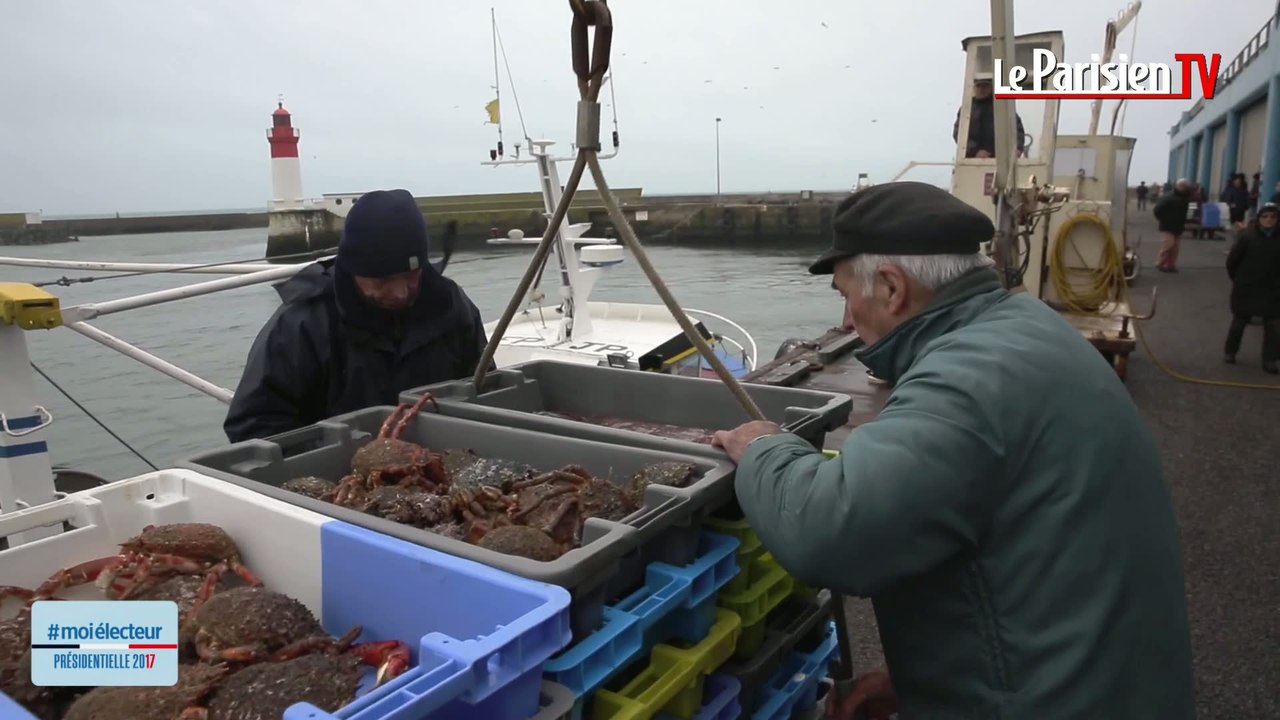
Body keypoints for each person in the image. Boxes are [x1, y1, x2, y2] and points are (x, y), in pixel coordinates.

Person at [710, 182, 1194, 720]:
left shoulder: (967, 380)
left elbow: (832, 532)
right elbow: (1030, 563)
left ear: (892, 289)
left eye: (845, 295)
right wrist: (921, 684)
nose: (845, 321)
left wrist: (764, 449)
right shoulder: (1026, 329)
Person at [224, 189, 491, 442]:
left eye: (411, 275)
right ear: (353, 270)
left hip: (443, 457)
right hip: (339, 472)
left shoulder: (451, 304)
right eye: (383, 279)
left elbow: (484, 388)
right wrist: (337, 456)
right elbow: (253, 424)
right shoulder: (301, 325)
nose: (399, 292)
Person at [1224, 201, 1280, 373]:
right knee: (1239, 322)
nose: (1269, 220)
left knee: (1274, 326)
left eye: (1273, 217)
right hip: (1247, 289)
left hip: (1273, 290)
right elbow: (1232, 263)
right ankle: (1230, 351)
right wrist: (1240, 280)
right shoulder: (1247, 237)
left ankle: (1270, 359)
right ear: (1259, 218)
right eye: (1265, 216)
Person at [952, 75, 1026, 159]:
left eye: (985, 86)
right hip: (972, 160)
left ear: (991, 87)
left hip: (1001, 160)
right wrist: (975, 151)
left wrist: (1018, 148)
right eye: (979, 86)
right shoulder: (967, 109)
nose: (982, 89)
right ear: (974, 88)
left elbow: (1017, 129)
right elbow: (958, 133)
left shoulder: (1002, 106)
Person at [1153, 178, 1192, 272]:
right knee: (1169, 243)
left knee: (1176, 247)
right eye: (1181, 185)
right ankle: (1160, 262)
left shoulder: (1186, 197)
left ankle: (1171, 265)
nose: (1182, 187)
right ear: (1176, 186)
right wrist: (1162, 219)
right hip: (1168, 225)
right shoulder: (1168, 196)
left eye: (1184, 186)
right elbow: (1157, 209)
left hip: (1178, 225)